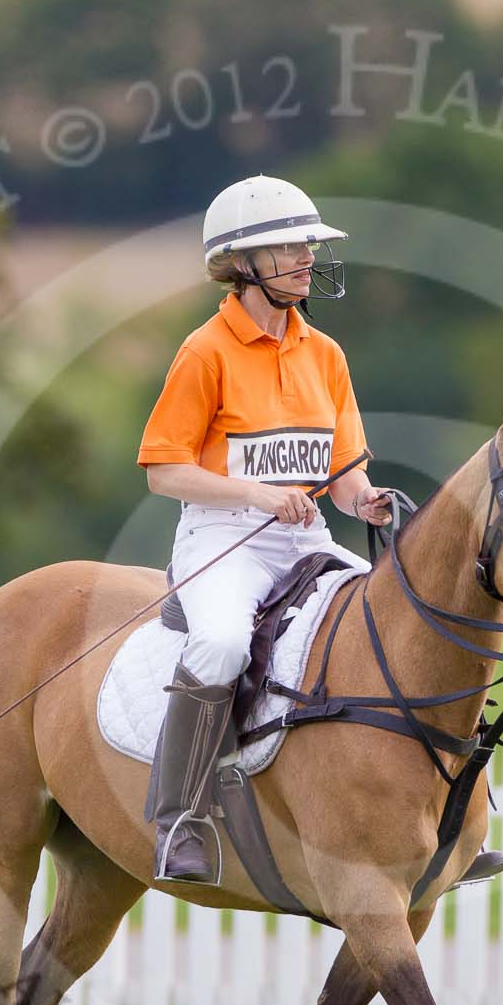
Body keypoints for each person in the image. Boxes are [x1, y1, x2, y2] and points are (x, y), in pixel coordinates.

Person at [136, 175, 393, 883]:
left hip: (303, 539)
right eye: (289, 245)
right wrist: (259, 493)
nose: (308, 256)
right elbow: (163, 471)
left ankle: (442, 815)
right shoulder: (204, 351)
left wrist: (366, 500)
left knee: (389, 624)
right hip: (221, 538)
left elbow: (342, 476)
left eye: (309, 242)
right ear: (243, 263)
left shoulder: (326, 354)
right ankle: (178, 818)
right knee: (220, 643)